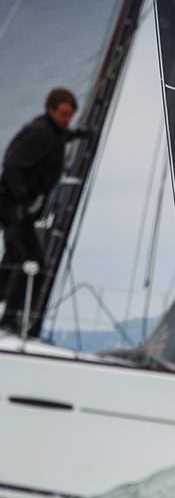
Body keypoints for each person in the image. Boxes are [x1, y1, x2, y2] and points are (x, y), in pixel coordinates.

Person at [0, 88, 88, 331]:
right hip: (12, 207)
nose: (66, 119)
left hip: (21, 210)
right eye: (63, 114)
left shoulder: (54, 131)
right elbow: (11, 164)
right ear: (50, 109)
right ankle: (9, 319)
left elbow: (62, 136)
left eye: (70, 115)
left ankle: (9, 313)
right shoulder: (39, 133)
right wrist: (21, 201)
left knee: (18, 259)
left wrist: (81, 134)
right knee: (30, 261)